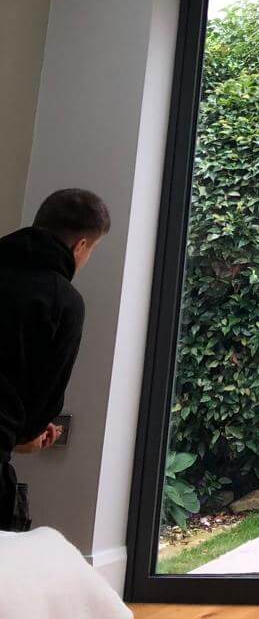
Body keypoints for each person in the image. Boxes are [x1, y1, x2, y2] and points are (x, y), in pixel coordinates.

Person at [0, 188, 110, 533]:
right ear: (81, 245)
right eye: (92, 249)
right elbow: (44, 396)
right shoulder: (62, 300)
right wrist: (29, 435)